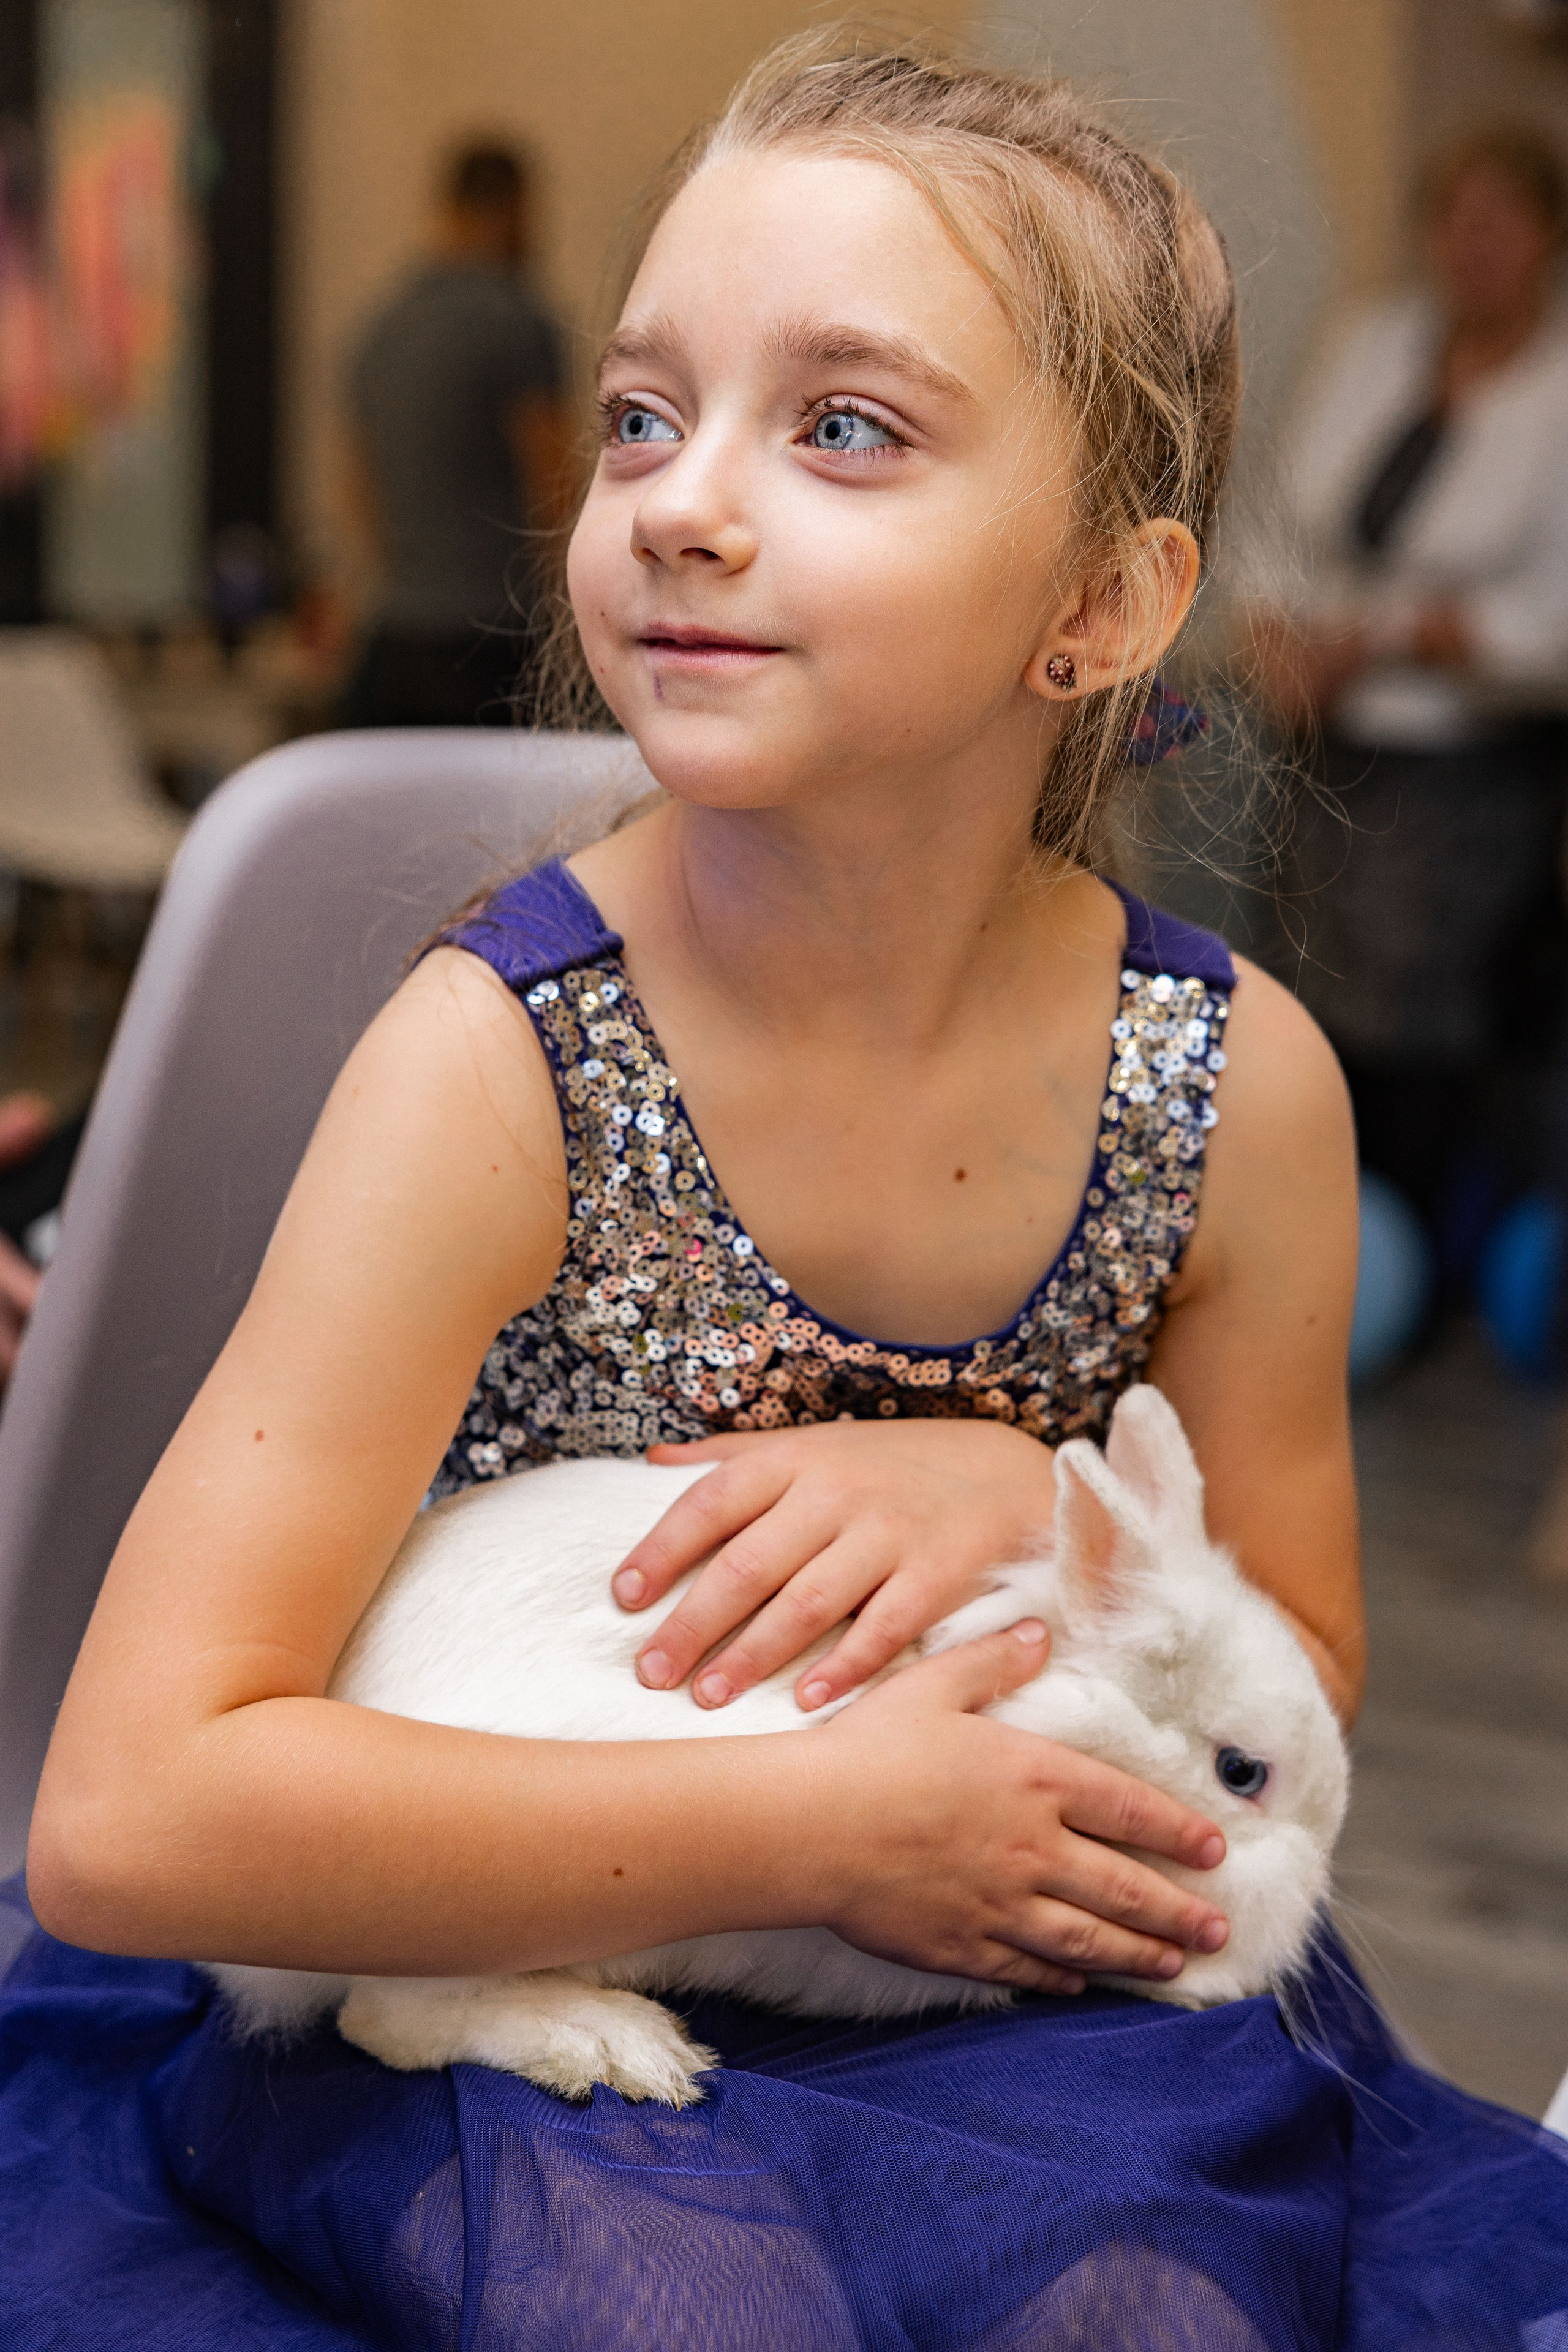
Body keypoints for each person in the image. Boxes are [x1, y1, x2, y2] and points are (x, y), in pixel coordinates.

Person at [4, 36, 1564, 2348]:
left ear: (1106, 605)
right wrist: (817, 1830)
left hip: (1002, 2004)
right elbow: (134, 1817)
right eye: (641, 416)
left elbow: (1295, 1672)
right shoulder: (499, 1066)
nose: (682, 502)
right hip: (483, 1994)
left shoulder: (1232, 1094)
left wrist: (1033, 1494)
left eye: (840, 426)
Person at [1249, 125, 1568, 1240]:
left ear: (1548, 238)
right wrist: (1273, 629)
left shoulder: (1559, 385)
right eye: (1456, 219)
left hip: (1463, 767)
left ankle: (1405, 1258)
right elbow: (1284, 514)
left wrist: (1397, 638)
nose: (1476, 245)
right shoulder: (1377, 344)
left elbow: (1553, 622)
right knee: (1297, 995)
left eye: (1503, 221)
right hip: (1324, 739)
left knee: (1414, 1024)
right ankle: (1304, 1242)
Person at [337, 140, 573, 729]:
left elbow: (362, 498)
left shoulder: (379, 332)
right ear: (515, 207)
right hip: (497, 640)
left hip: (397, 637)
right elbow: (553, 482)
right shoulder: (516, 322)